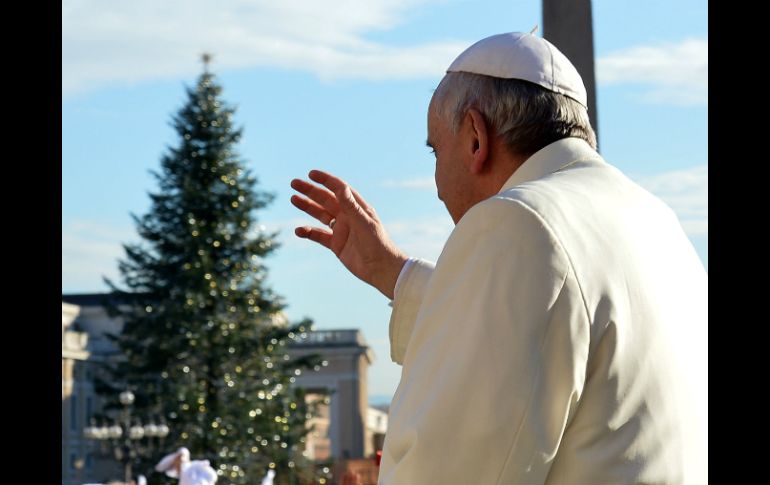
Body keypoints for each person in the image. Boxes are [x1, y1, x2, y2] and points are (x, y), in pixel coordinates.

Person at [290, 31, 707, 484]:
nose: (436, 185)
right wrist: (393, 273)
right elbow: (558, 330)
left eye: (435, 150)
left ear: (475, 138)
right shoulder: (654, 219)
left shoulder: (518, 221)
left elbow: (457, 467)